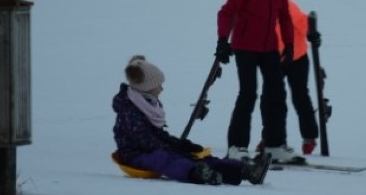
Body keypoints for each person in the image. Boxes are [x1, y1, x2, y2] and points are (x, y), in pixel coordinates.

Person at [112, 55, 270, 185]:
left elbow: (157, 135)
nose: (161, 88)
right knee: (166, 158)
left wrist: (180, 144)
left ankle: (246, 171)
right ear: (146, 87)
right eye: (158, 85)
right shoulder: (129, 110)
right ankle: (197, 173)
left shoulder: (147, 104)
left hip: (152, 149)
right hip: (135, 155)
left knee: (196, 156)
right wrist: (173, 148)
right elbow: (144, 140)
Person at [216, 0, 300, 164]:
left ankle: (274, 145)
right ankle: (237, 146)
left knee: (275, 94)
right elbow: (226, 12)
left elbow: (284, 16)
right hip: (244, 47)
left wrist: (289, 44)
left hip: (269, 47)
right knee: (248, 94)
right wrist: (223, 40)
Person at [256, 0, 323, 156]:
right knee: (270, 100)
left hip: (296, 57)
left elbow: (302, 21)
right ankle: (271, 139)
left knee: (300, 96)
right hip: (272, 59)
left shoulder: (285, 5)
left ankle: (309, 136)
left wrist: (311, 33)